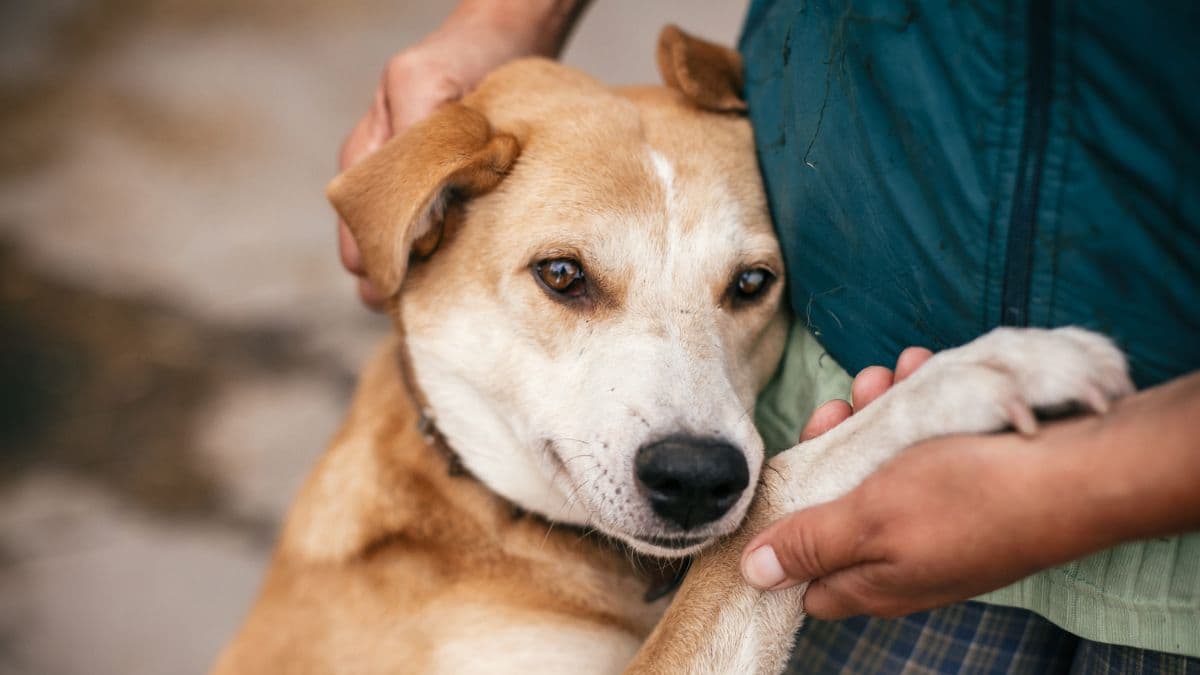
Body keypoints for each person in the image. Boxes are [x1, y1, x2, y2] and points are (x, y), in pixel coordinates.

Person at [335, 1, 1200, 671]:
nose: (686, 432)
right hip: (879, 453)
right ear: (429, 222)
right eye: (568, 278)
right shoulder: (380, 586)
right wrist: (504, 20)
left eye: (744, 285)